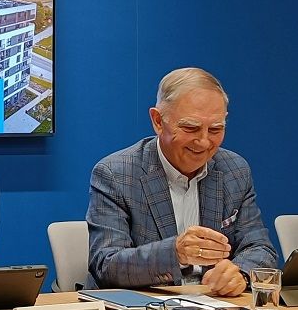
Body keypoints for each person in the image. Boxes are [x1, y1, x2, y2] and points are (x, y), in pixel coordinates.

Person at [87, 68, 277, 295]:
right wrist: (175, 254)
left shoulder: (234, 170)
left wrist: (239, 273)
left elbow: (260, 248)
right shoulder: (116, 174)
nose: (204, 142)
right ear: (158, 121)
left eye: (215, 129)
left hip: (215, 305)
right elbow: (106, 265)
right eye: (191, 128)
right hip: (146, 307)